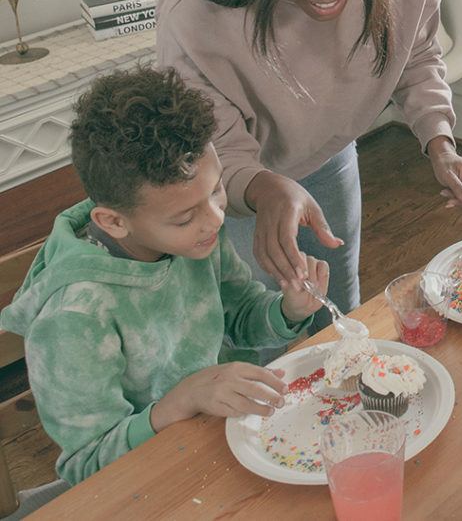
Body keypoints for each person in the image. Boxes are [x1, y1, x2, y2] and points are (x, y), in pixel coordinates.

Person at [158, 0, 462, 334]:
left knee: (341, 312)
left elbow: (416, 55)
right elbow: (217, 144)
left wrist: (439, 143)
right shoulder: (194, 11)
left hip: (329, 155)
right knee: (263, 334)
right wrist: (266, 191)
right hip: (237, 187)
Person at [0, 68, 327, 485]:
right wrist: (183, 400)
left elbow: (240, 312)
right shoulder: (72, 315)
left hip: (219, 437)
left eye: (215, 191)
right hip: (149, 477)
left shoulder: (194, 236)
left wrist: (286, 309)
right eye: (185, 216)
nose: (216, 219)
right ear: (113, 222)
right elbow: (87, 464)